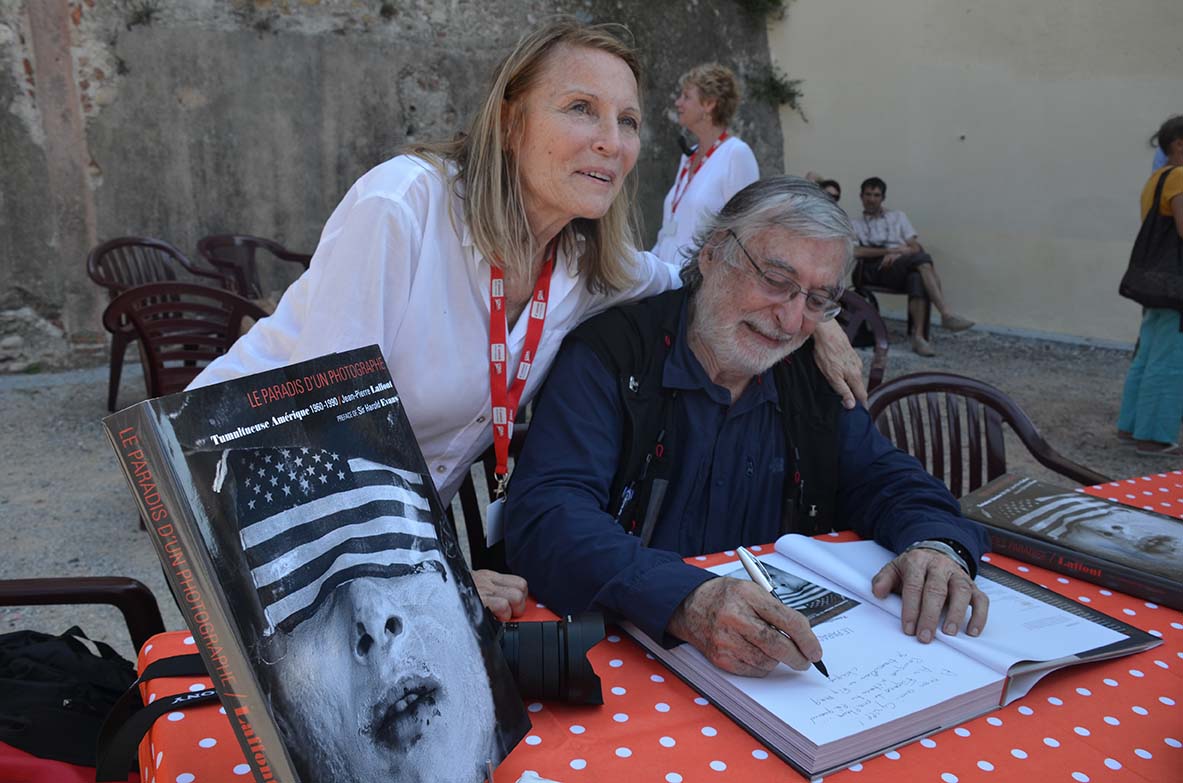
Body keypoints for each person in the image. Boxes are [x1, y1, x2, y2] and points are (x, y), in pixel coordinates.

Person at [187, 20, 867, 619]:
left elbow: (708, 279)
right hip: (247, 492)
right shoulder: (400, 207)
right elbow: (325, 430)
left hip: (371, 532)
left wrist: (813, 316)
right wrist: (420, 575)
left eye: (627, 121)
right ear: (510, 123)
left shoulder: (582, 261)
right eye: (581, 108)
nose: (611, 141)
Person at [505, 177, 990, 678]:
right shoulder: (614, 353)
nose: (792, 318)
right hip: (626, 657)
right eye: (776, 281)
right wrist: (685, 598)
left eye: (818, 300)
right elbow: (548, 515)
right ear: (714, 253)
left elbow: (887, 479)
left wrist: (936, 545)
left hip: (782, 676)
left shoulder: (808, 373)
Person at [1117, 114, 1183, 456]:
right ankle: (1154, 436)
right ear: (1179, 144)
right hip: (1177, 286)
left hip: (1156, 282)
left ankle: (1132, 427)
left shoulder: (1158, 177)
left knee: (1148, 356)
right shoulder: (1181, 177)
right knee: (1171, 359)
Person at [651, 63, 759, 266]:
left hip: (697, 284)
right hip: (667, 279)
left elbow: (745, 229)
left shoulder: (736, 153)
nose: (678, 103)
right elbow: (671, 227)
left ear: (709, 103)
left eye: (686, 96)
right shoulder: (688, 156)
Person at [852, 176, 974, 356]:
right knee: (921, 259)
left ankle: (918, 338)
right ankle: (946, 314)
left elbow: (914, 246)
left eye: (876, 195)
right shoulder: (855, 224)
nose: (871, 199)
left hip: (902, 264)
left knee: (917, 277)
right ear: (861, 196)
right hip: (872, 269)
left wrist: (899, 252)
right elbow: (856, 252)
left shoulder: (898, 217)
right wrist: (888, 252)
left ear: (883, 198)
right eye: (868, 194)